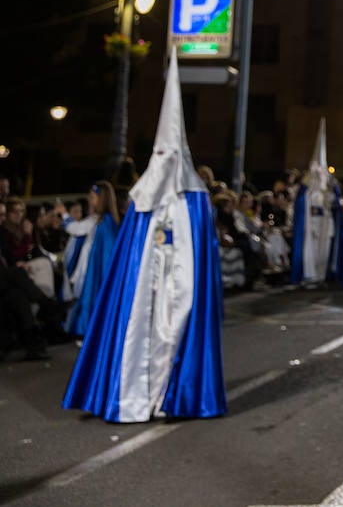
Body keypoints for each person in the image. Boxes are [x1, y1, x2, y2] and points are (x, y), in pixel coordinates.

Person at [63, 53, 226, 422]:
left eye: (172, 154)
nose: (165, 161)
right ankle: (135, 396)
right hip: (144, 287)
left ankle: (172, 397)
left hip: (180, 287)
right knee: (139, 337)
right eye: (160, 153)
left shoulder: (196, 200)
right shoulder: (141, 199)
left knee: (175, 338)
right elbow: (129, 255)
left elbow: (201, 251)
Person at [64, 181, 122, 339]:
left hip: (93, 270)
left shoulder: (98, 221)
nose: (89, 201)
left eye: (92, 197)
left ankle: (87, 331)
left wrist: (64, 215)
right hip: (97, 268)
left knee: (90, 298)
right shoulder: (109, 221)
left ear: (101, 199)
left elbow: (75, 229)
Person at [291, 119, 338, 288]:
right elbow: (300, 203)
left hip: (324, 222)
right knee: (309, 251)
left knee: (323, 251)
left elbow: (333, 204)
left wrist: (330, 191)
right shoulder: (306, 191)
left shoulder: (328, 190)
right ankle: (308, 276)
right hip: (311, 222)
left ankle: (320, 276)